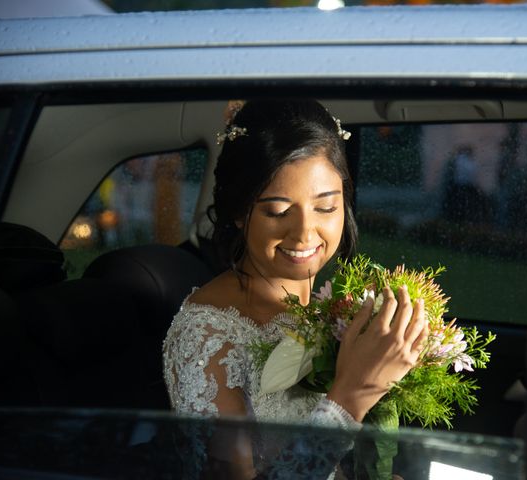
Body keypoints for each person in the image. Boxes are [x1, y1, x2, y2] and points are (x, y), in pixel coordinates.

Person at [162, 99, 429, 479]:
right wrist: (351, 395)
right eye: (277, 211)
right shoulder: (206, 336)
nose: (304, 233)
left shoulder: (327, 309)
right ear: (240, 212)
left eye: (325, 207)